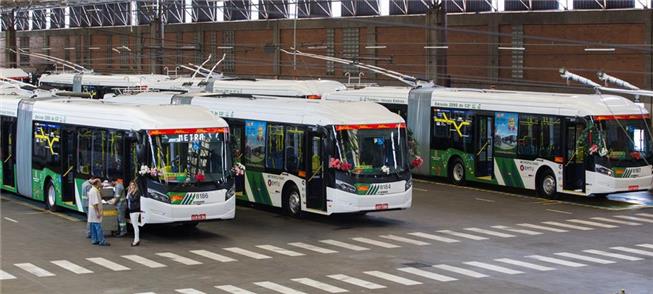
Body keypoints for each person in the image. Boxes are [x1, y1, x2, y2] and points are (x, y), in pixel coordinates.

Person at [88, 178, 110, 246]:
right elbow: (95, 203)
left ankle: (95, 240)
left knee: (93, 226)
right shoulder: (94, 191)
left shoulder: (94, 190)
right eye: (100, 182)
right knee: (98, 226)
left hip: (92, 211)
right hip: (95, 211)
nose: (101, 183)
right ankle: (101, 241)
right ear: (97, 183)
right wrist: (97, 212)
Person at [126, 180, 143, 247]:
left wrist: (130, 194)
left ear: (135, 185)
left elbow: (133, 199)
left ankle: (136, 241)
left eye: (133, 185)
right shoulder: (130, 192)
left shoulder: (137, 192)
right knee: (134, 225)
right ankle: (136, 239)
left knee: (135, 226)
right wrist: (129, 193)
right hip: (131, 210)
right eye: (131, 185)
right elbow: (127, 199)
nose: (132, 186)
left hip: (135, 210)